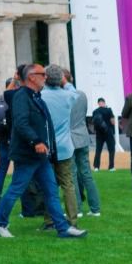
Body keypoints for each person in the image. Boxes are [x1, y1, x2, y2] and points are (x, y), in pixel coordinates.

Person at [0, 64, 87, 239]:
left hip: (41, 156)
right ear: (32, 77)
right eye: (42, 74)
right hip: (28, 155)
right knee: (16, 189)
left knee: (51, 191)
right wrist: (36, 141)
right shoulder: (22, 96)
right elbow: (21, 123)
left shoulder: (36, 96)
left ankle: (62, 227)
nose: (46, 76)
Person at [40, 65, 79, 228]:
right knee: (68, 184)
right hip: (64, 146)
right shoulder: (69, 95)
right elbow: (73, 89)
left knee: (49, 185)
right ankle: (72, 220)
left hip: (46, 146)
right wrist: (64, 80)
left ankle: (49, 220)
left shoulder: (40, 95)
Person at [64, 70, 101, 217]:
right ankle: (95, 208)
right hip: (82, 136)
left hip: (70, 138)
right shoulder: (82, 94)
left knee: (72, 174)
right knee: (86, 173)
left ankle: (77, 209)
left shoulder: (64, 96)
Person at [0, 74, 22, 204]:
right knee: (18, 168)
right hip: (14, 138)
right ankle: (14, 196)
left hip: (2, 139)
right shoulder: (16, 99)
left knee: (2, 169)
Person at [91, 97, 116, 171]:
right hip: (108, 132)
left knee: (98, 150)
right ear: (104, 102)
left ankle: (96, 167)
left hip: (99, 134)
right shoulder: (109, 110)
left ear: (98, 103)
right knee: (111, 149)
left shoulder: (95, 111)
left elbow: (93, 123)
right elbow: (113, 122)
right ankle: (111, 167)